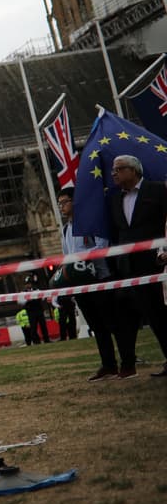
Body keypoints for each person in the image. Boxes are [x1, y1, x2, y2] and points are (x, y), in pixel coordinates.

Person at [105, 154, 167, 377]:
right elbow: (118, 232)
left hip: (159, 264)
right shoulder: (115, 200)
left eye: (118, 169)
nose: (114, 174)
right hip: (132, 269)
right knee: (154, 316)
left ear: (133, 171)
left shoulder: (158, 191)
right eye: (113, 170)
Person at [55, 187, 123, 380]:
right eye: (60, 203)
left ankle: (128, 361)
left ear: (75, 202)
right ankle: (108, 364)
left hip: (99, 280)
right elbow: (67, 256)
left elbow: (102, 246)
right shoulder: (67, 229)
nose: (62, 207)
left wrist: (84, 258)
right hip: (80, 285)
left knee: (113, 323)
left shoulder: (91, 222)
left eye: (65, 202)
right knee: (97, 327)